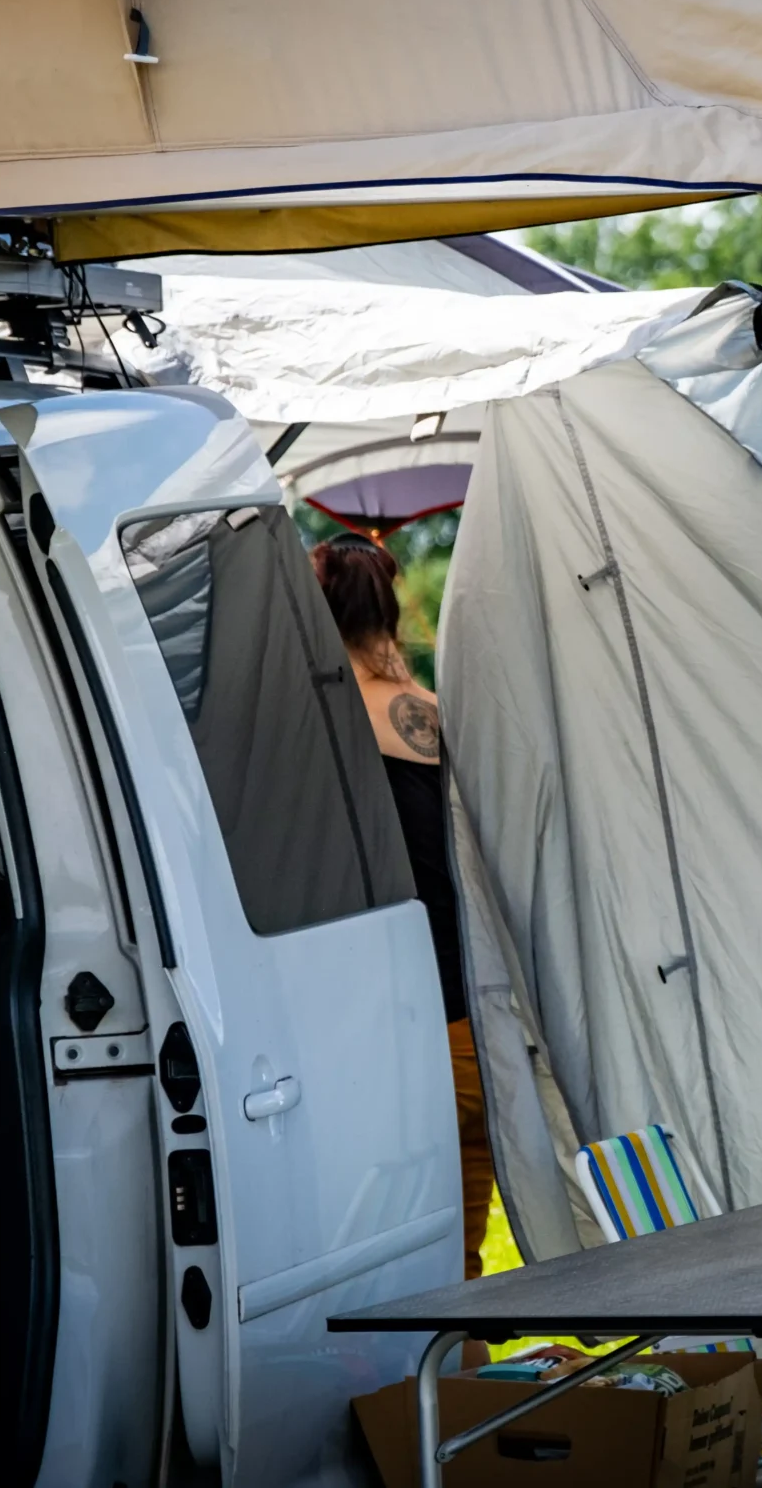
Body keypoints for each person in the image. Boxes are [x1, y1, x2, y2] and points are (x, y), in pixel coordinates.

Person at [311, 532, 494, 1279]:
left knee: (386, 1257)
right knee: (461, 1257)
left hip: (397, 1033)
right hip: (476, 1026)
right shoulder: (437, 711)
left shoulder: (319, 725)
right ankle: (461, 1388)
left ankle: (414, 1394)